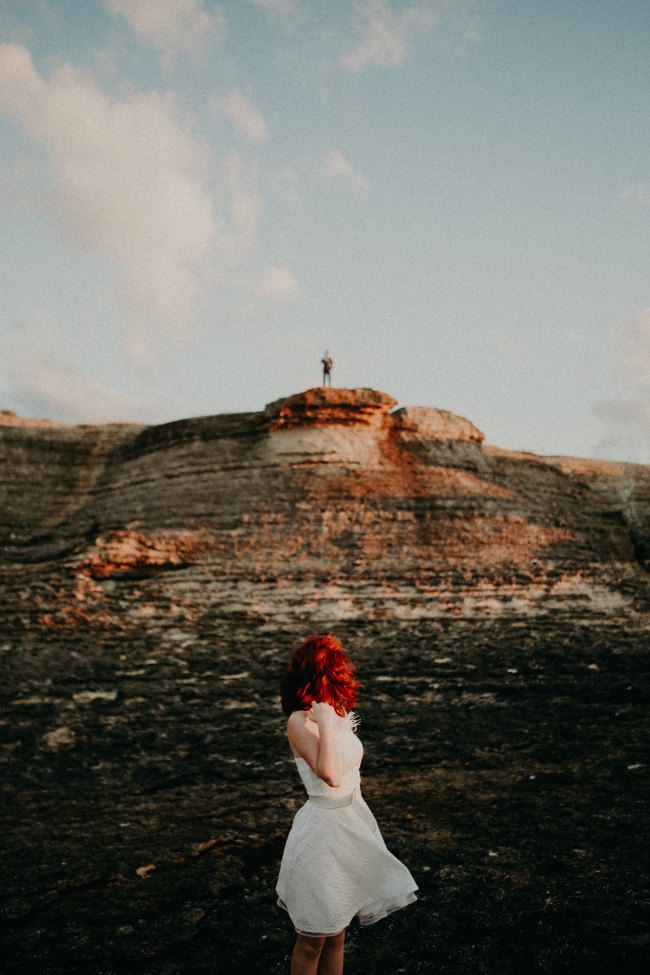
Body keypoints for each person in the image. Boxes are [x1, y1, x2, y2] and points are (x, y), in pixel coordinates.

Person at [276, 634, 417, 975]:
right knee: (312, 939)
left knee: (337, 934)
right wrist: (324, 723)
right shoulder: (300, 721)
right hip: (321, 834)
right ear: (323, 674)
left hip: (349, 826)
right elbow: (331, 775)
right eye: (338, 669)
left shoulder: (336, 711)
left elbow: (352, 774)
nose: (346, 675)